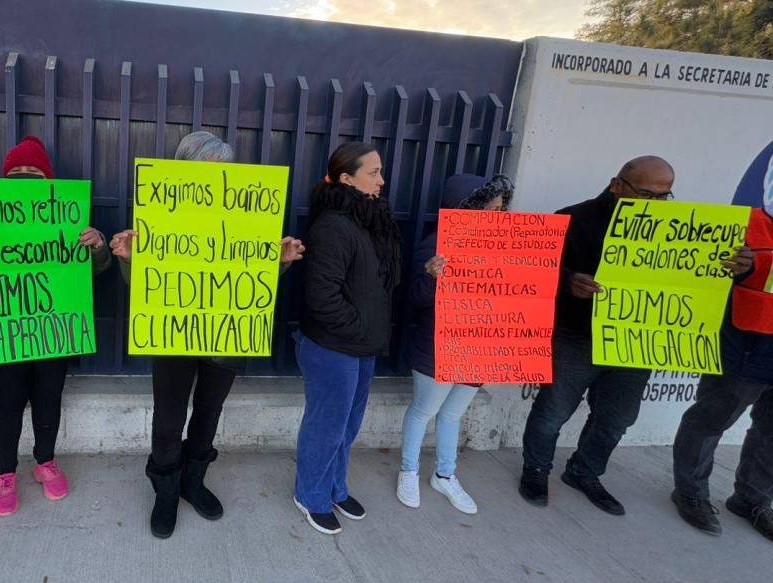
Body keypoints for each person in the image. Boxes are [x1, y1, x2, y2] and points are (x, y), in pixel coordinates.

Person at [518, 156, 750, 515]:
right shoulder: (571, 219)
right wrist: (567, 281)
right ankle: (535, 469)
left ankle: (585, 472)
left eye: (665, 196)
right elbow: (531, 268)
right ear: (617, 185)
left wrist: (736, 269)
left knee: (617, 419)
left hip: (636, 344)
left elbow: (698, 281)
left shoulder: (683, 228)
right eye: (647, 194)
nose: (656, 204)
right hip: (577, 338)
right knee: (553, 412)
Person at [110, 131, 305, 538]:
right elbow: (142, 285)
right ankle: (165, 490)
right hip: (174, 332)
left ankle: (192, 482)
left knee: (209, 410)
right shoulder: (160, 215)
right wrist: (130, 259)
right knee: (168, 416)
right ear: (184, 171)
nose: (217, 180)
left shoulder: (247, 217)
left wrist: (280, 262)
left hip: (226, 333)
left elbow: (253, 277)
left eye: (224, 171)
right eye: (207, 170)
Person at [0, 135, 111, 516]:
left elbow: (94, 272)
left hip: (52, 335)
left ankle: (45, 462)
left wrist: (96, 246)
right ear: (3, 180)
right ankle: (6, 474)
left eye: (33, 172)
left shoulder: (66, 220)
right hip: (2, 337)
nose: (25, 177)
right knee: (7, 406)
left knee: (49, 403)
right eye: (16, 173)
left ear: (47, 180)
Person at [292, 142, 402, 535]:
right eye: (372, 172)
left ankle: (336, 488)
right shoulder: (333, 226)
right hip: (332, 348)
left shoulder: (369, 221)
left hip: (361, 347)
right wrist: (361, 329)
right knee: (327, 427)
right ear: (345, 178)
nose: (381, 180)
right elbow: (322, 298)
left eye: (380, 171)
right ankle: (311, 494)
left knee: (348, 426)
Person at [397, 174, 514, 515]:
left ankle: (445, 475)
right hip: (438, 347)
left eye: (500, 209)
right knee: (424, 411)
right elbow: (414, 299)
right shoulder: (434, 245)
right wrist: (431, 277)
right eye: (488, 209)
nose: (496, 215)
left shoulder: (504, 246)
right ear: (465, 209)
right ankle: (409, 470)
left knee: (452, 414)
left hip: (479, 346)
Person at [670, 159, 767, 540]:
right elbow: (701, 275)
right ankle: (690, 493)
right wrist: (740, 269)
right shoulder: (739, 223)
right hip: (745, 341)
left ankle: (754, 499)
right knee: (711, 419)